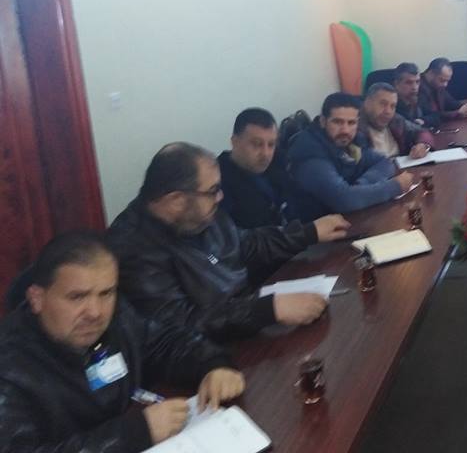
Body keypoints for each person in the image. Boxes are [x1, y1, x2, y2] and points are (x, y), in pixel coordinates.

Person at [0, 231, 245, 452]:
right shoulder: (9, 369)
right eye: (77, 297)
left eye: (106, 293)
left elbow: (164, 343)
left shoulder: (117, 316)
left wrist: (213, 364)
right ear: (37, 299)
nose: (95, 312)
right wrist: (135, 433)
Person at [109, 142, 351, 341]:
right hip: (212, 358)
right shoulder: (132, 248)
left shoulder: (197, 213)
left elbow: (246, 244)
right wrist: (268, 310)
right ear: (176, 200)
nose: (220, 196)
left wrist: (308, 232)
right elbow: (180, 324)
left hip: (248, 325)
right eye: (213, 190)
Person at [287, 92, 415, 214]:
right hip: (322, 223)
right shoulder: (310, 153)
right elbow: (343, 200)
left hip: (352, 216)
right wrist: (395, 186)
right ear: (323, 121)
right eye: (337, 122)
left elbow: (384, 162)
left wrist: (361, 184)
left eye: (351, 123)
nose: (345, 130)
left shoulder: (353, 141)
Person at [218, 107, 301, 229]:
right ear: (234, 142)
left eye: (271, 144)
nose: (266, 153)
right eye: (257, 144)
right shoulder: (218, 183)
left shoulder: (278, 162)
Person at [356, 83, 433, 158]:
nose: (388, 111)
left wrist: (423, 145)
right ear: (367, 103)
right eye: (383, 104)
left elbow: (421, 131)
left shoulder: (396, 121)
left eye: (392, 106)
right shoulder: (354, 127)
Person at [418, 58, 467, 127]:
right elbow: (430, 115)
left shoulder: (437, 85)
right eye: (442, 80)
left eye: (447, 81)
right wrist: (457, 113)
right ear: (431, 73)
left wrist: (466, 107)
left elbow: (450, 102)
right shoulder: (417, 86)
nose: (445, 85)